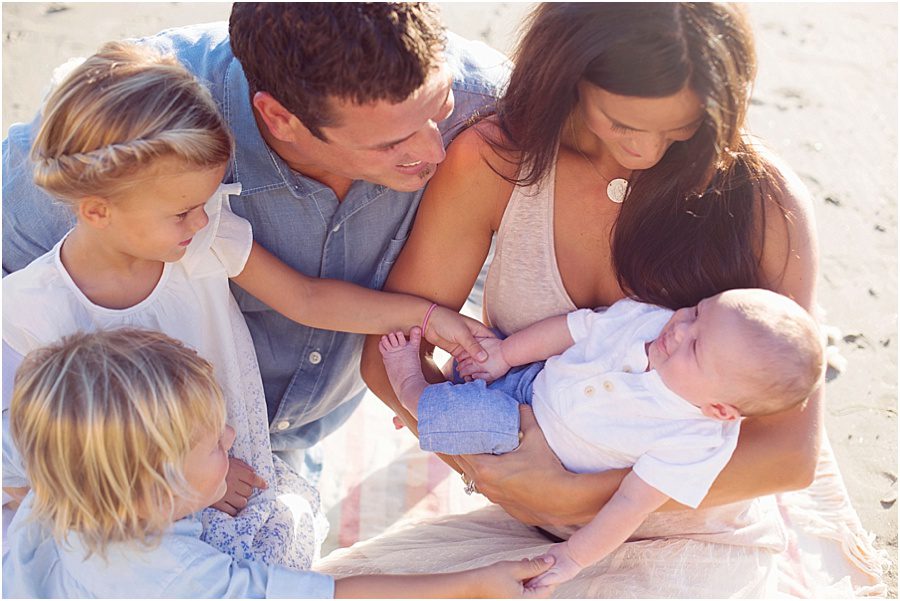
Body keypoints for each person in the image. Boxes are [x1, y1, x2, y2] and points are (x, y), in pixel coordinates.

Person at [352, 3, 824, 596]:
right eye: (623, 123)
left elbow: (788, 455)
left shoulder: (762, 202)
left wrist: (577, 495)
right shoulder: (499, 160)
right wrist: (490, 470)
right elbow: (388, 351)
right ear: (568, 71)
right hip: (520, 525)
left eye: (681, 127)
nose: (648, 150)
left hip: (687, 535)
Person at [0, 41, 492, 569]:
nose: (201, 219)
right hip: (143, 525)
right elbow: (36, 475)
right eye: (183, 211)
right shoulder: (29, 314)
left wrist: (425, 316)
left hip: (239, 468)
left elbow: (306, 298)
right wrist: (187, 487)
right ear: (98, 210)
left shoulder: (202, 238)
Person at [2, 328, 555, 599]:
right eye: (213, 443)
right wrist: (478, 581)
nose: (232, 434)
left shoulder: (66, 487)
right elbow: (335, 594)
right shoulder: (180, 578)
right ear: (155, 483)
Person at [379, 288, 825, 587]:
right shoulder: (647, 322)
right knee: (480, 350)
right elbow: (572, 330)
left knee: (483, 419)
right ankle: (447, 407)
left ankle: (415, 393)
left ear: (721, 409)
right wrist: (502, 356)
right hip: (532, 376)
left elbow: (630, 504)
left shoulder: (696, 441)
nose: (681, 328)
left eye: (695, 347)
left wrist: (575, 557)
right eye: (697, 312)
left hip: (533, 442)